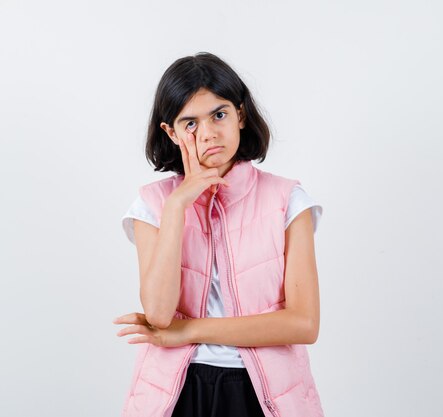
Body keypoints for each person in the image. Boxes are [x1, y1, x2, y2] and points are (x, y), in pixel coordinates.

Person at [112, 52, 325, 417]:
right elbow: (160, 315)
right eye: (190, 123)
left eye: (219, 114)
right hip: (176, 392)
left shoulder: (288, 199)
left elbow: (304, 323)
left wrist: (187, 331)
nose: (208, 133)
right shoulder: (153, 204)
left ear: (240, 115)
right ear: (171, 132)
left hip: (263, 394)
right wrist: (179, 204)